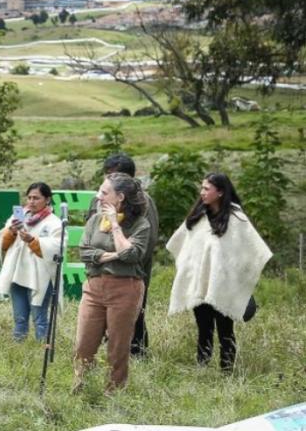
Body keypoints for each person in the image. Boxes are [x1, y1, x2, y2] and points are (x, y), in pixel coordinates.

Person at [167, 173, 272, 372]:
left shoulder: (237, 219)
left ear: (221, 192)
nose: (202, 192)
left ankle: (227, 371)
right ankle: (202, 368)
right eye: (202, 188)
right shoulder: (198, 217)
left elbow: (253, 251)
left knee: (226, 331)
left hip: (225, 285)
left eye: (207, 189)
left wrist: (240, 279)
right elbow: (183, 246)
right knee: (203, 329)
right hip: (200, 283)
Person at [74, 172, 152, 393]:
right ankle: (81, 388)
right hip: (94, 287)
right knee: (83, 344)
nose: (98, 196)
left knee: (117, 348)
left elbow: (130, 255)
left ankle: (113, 393)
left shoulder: (140, 225)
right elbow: (84, 252)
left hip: (125, 288)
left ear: (120, 197)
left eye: (104, 192)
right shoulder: (95, 220)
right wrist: (110, 255)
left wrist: (117, 228)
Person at [86, 153, 159, 357]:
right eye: (107, 175)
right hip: (100, 270)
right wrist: (97, 258)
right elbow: (89, 233)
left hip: (132, 270)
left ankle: (136, 353)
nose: (109, 181)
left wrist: (125, 259)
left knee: (134, 314)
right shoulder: (98, 200)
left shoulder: (144, 202)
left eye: (114, 175)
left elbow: (148, 239)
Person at [0, 182, 63, 341]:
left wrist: (32, 240)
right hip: (17, 273)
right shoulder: (17, 217)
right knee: (19, 318)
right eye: (29, 197)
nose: (31, 201)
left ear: (47, 199)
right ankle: (18, 349)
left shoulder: (54, 222)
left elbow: (56, 248)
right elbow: (3, 244)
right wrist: (11, 231)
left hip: (40, 276)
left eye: (36, 198)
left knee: (39, 319)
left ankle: (41, 351)